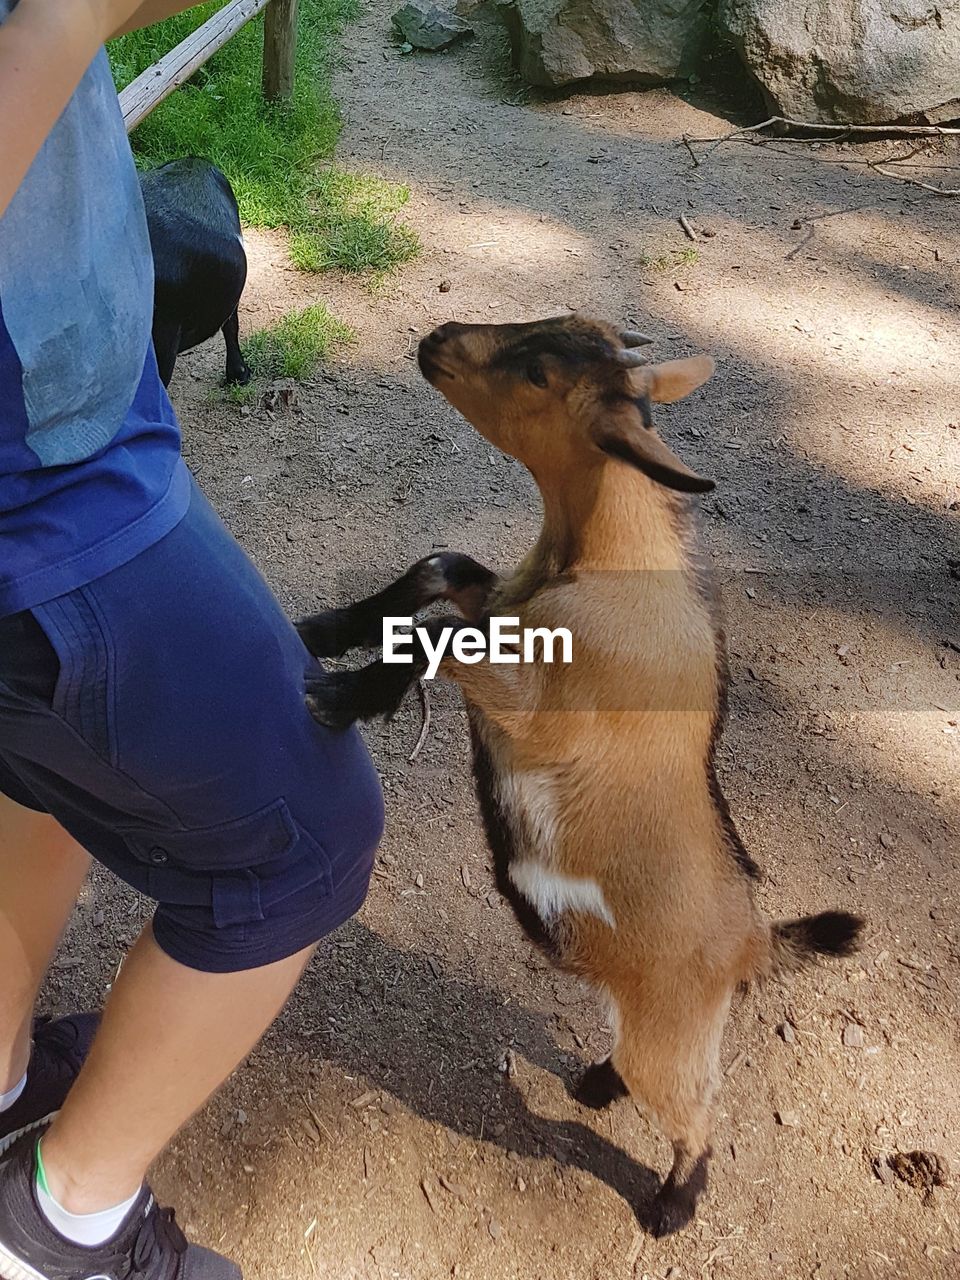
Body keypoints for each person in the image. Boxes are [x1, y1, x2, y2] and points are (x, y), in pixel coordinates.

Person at [0, 4, 384, 1278]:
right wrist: (71, 21)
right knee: (310, 834)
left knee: (40, 766)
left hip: (74, 410)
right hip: (40, 499)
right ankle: (60, 1226)